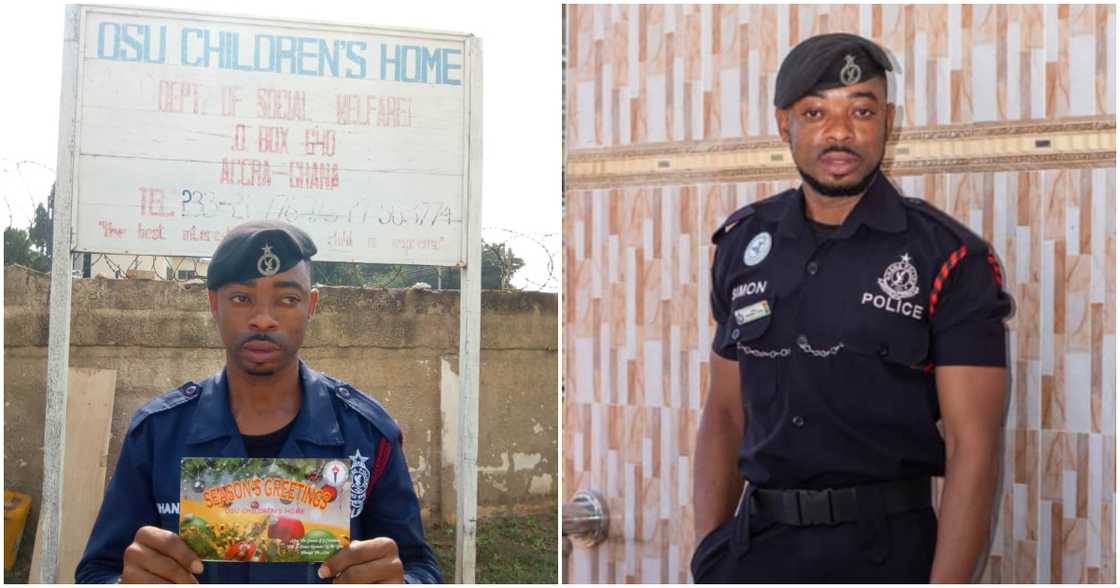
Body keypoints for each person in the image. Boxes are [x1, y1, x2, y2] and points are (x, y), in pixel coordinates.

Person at [692, 33, 1012, 583]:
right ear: (783, 125)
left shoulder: (949, 258)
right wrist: (709, 555)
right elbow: (724, 415)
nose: (839, 131)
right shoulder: (744, 246)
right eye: (815, 112)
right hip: (755, 555)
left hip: (885, 555)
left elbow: (973, 445)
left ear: (889, 120)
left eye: (861, 110)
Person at [76, 220, 441, 583]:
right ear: (213, 303)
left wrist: (403, 583)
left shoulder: (367, 436)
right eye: (241, 298)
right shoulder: (156, 435)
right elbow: (96, 572)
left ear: (311, 305)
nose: (263, 319)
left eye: (287, 299)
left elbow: (420, 568)